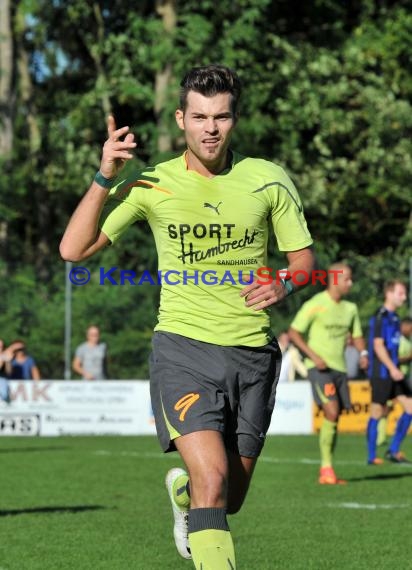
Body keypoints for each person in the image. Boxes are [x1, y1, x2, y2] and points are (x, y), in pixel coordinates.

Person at [60, 64, 314, 569]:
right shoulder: (152, 182)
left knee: (228, 497)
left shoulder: (268, 180)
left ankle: (183, 495)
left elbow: (304, 263)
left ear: (234, 120)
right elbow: (73, 249)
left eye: (220, 116)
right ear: (181, 119)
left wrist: (283, 282)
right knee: (213, 480)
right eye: (199, 117)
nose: (210, 128)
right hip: (182, 349)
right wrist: (104, 175)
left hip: (253, 355)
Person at [289, 263, 368, 484]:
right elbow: (294, 333)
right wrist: (313, 357)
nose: (350, 283)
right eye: (347, 279)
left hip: (340, 369)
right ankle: (326, 470)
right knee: (332, 411)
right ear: (334, 280)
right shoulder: (315, 304)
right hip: (319, 369)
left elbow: (358, 334)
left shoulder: (350, 308)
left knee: (335, 417)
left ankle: (328, 467)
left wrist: (363, 351)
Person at [366, 281, 412, 464]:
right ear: (389, 294)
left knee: (410, 408)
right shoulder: (380, 316)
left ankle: (393, 450)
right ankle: (371, 456)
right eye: (400, 293)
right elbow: (378, 346)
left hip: (394, 372)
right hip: (382, 373)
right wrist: (392, 368)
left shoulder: (395, 318)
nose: (404, 297)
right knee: (377, 411)